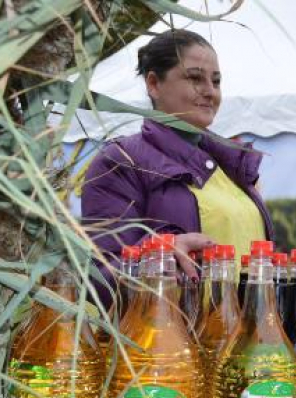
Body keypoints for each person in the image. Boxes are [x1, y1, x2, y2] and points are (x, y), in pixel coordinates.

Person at [81, 30, 273, 309]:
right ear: (153, 84)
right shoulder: (121, 161)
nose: (210, 91)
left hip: (246, 344)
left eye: (216, 81)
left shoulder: (234, 166)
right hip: (171, 345)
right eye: (195, 78)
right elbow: (99, 278)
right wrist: (158, 255)